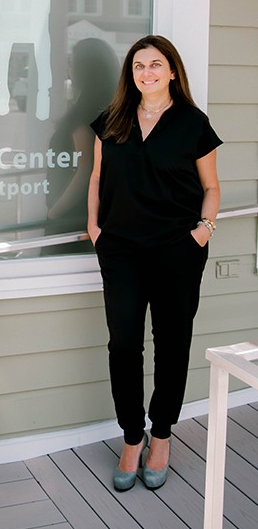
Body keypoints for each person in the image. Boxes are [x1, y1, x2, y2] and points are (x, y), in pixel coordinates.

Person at [87, 35, 221, 491]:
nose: (146, 72)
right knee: (123, 346)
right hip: (121, 249)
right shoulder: (113, 121)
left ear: (172, 72)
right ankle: (130, 437)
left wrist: (203, 231)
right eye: (139, 66)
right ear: (132, 74)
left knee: (172, 344)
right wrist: (94, 228)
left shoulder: (192, 123)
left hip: (177, 251)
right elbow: (98, 177)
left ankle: (161, 436)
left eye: (156, 64)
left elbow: (212, 187)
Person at [43, 38, 119, 254]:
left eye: (72, 63)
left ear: (85, 70)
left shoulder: (85, 114)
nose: (68, 69)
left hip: (73, 217)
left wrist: (55, 212)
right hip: (91, 213)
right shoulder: (107, 109)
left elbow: (85, 168)